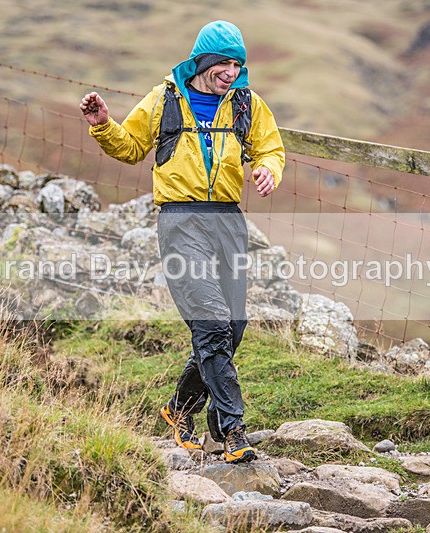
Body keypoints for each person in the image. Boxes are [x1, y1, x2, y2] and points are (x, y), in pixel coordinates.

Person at [80, 20, 284, 464]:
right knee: (210, 322)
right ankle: (233, 431)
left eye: (237, 64)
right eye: (223, 64)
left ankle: (180, 408)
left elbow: (271, 147)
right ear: (203, 61)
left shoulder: (247, 104)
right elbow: (131, 146)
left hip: (228, 221)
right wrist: (103, 126)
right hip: (181, 221)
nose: (231, 72)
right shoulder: (164, 98)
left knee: (233, 327)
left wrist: (268, 168)